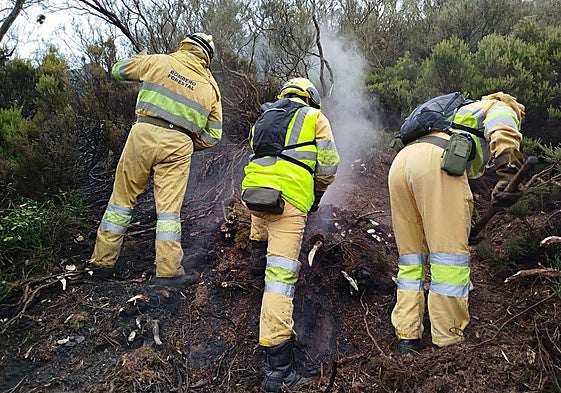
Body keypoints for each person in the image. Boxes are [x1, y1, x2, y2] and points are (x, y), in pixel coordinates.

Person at [388, 92, 525, 355]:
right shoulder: (498, 106)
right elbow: (503, 131)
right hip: (436, 160)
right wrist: (509, 171)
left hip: (401, 164)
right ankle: (447, 340)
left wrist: (462, 229)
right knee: (449, 261)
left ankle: (407, 337)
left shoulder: (458, 114)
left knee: (411, 259)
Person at [87, 33, 222, 287]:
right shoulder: (211, 88)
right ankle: (169, 270)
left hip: (144, 134)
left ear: (184, 45)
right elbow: (214, 135)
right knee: (169, 211)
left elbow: (117, 70)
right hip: (179, 145)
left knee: (121, 201)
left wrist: (141, 60)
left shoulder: (158, 62)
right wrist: (184, 142)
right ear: (207, 58)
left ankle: (102, 263)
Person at [241, 77, 339, 392]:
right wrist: (317, 195)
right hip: (290, 200)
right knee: (280, 283)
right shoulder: (314, 117)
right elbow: (327, 166)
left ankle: (257, 256)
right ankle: (278, 370)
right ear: (310, 97)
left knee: (262, 210)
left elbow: (260, 156)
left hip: (254, 193)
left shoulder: (265, 117)